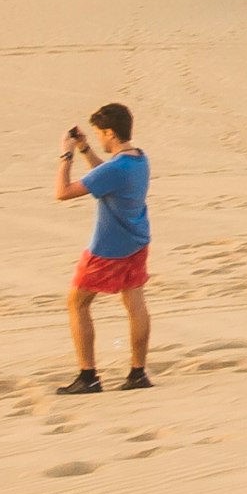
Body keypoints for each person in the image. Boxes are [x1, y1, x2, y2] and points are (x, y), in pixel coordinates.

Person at [52, 104, 153, 392]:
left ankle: (88, 377)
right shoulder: (138, 160)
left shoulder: (116, 168)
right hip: (136, 242)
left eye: (100, 135)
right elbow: (104, 176)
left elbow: (63, 193)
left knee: (77, 303)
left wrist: (66, 154)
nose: (100, 140)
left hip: (108, 249)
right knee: (135, 305)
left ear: (110, 132)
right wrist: (85, 149)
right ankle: (138, 374)